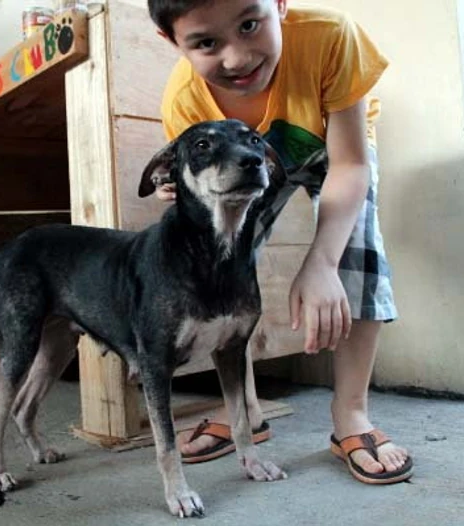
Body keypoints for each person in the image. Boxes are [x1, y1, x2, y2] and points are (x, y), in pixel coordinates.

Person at [147, 0, 413, 484]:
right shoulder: (183, 102)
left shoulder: (331, 37)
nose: (237, 58)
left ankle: (351, 413)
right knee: (222, 255)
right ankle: (244, 408)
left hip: (336, 146)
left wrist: (322, 263)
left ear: (281, 4)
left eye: (250, 25)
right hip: (249, 162)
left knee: (358, 251)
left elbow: (350, 165)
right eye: (206, 43)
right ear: (172, 41)